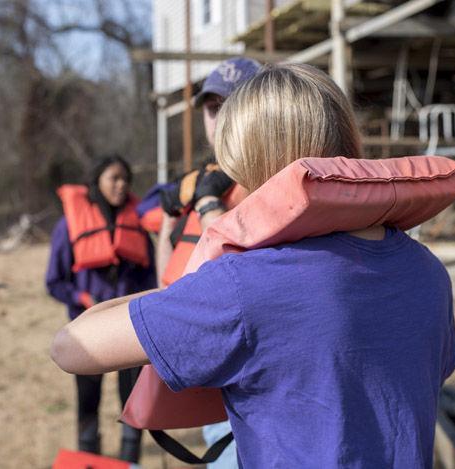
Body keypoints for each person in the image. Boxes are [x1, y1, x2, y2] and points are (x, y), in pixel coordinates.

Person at [50, 64, 455, 467]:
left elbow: (71, 347)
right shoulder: (427, 271)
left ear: (248, 162)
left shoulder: (242, 287)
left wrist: (191, 287)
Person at [157, 57, 259, 467]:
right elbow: (167, 273)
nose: (220, 119)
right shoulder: (195, 182)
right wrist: (168, 224)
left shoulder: (269, 181)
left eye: (231, 107)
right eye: (213, 108)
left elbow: (243, 282)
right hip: (200, 372)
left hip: (246, 382)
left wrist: (210, 206)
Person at [46, 155, 156, 463]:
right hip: (87, 331)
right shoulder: (69, 224)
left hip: (130, 327)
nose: (121, 185)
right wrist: (82, 298)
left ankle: (129, 462)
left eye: (126, 179)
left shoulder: (138, 223)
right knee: (88, 402)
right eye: (114, 178)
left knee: (133, 403)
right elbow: (54, 281)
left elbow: (150, 276)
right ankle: (88, 461)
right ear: (96, 182)